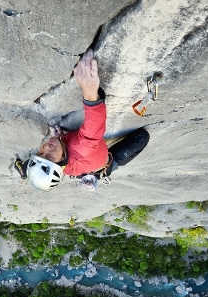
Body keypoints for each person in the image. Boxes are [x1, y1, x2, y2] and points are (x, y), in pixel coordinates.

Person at [15, 49, 150, 191]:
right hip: (104, 163)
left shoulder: (60, 164)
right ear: (62, 161)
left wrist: (59, 138)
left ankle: (24, 171)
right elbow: (91, 132)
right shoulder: (80, 149)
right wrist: (90, 91)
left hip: (80, 170)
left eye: (40, 153)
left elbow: (47, 157)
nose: (46, 148)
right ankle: (25, 171)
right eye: (50, 156)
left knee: (38, 161)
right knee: (142, 137)